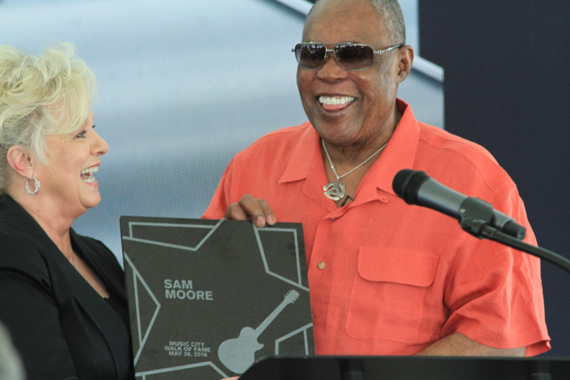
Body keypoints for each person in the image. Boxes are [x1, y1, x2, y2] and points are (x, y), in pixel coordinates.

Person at [203, 0, 550, 357]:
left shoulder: (473, 182)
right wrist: (221, 265)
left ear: (402, 65)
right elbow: (189, 313)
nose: (329, 72)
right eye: (312, 54)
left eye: (354, 55)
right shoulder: (253, 166)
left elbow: (497, 341)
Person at [0, 43, 133, 379]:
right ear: (25, 162)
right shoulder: (9, 257)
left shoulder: (96, 254)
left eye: (93, 127)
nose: (101, 145)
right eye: (80, 134)